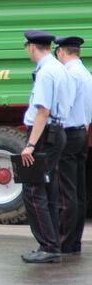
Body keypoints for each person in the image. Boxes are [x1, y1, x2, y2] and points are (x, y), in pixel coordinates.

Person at [20, 30, 71, 264]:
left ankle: (48, 246)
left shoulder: (46, 72)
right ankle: (53, 244)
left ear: (32, 47)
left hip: (43, 135)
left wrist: (30, 144)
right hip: (56, 132)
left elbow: (42, 110)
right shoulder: (59, 68)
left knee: (32, 189)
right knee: (48, 190)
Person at [54, 35, 92, 255]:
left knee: (65, 191)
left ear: (61, 51)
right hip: (82, 132)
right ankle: (74, 241)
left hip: (68, 134)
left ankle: (63, 241)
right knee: (78, 191)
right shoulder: (85, 73)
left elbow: (63, 106)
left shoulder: (68, 74)